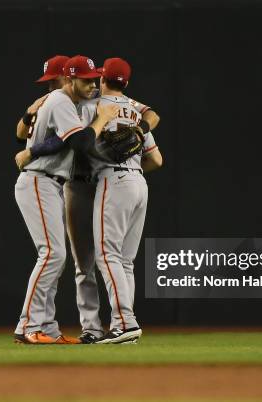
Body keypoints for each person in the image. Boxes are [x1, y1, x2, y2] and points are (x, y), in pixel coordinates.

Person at [13, 55, 120, 344]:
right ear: (69, 79)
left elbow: (48, 137)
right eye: (84, 80)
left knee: (55, 256)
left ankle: (46, 328)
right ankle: (29, 325)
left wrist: (31, 148)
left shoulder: (62, 102)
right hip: (39, 180)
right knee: (52, 254)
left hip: (48, 181)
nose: (91, 84)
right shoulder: (60, 101)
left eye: (93, 78)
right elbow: (81, 143)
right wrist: (102, 119)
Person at [80, 57, 163, 344]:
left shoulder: (94, 106)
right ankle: (124, 327)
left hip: (113, 181)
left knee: (107, 255)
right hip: (139, 182)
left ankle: (126, 322)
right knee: (125, 262)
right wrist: (134, 171)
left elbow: (79, 144)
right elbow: (157, 160)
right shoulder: (137, 114)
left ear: (103, 79)